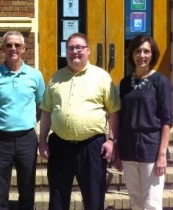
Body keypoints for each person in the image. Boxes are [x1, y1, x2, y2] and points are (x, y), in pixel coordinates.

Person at [39, 32, 120, 210]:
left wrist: (112, 141)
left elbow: (114, 111)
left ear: (88, 51)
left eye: (79, 47)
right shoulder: (56, 77)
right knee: (58, 200)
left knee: (93, 199)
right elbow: (46, 111)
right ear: (66, 51)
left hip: (91, 147)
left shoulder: (102, 77)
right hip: (60, 147)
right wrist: (42, 141)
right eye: (70, 48)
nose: (75, 51)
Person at [0, 31, 45, 210]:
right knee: (0, 187)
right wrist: (2, 124)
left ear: (24, 48)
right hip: (1, 139)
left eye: (17, 45)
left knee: (27, 186)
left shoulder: (35, 75)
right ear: (3, 48)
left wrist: (29, 122)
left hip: (27, 138)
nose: (13, 48)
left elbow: (41, 105)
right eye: (9, 45)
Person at [114, 35, 173, 210]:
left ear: (152, 54)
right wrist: (117, 149)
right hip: (128, 148)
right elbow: (121, 119)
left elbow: (166, 120)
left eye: (146, 51)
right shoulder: (125, 83)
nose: (142, 55)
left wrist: (162, 154)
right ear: (131, 54)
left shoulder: (161, 82)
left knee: (152, 203)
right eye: (138, 51)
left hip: (151, 149)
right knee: (135, 200)